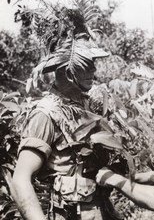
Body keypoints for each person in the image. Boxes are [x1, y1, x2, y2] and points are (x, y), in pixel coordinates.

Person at [12, 39, 123, 220]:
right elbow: (20, 180)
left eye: (93, 63)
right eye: (85, 64)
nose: (93, 70)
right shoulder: (46, 114)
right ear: (66, 68)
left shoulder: (88, 106)